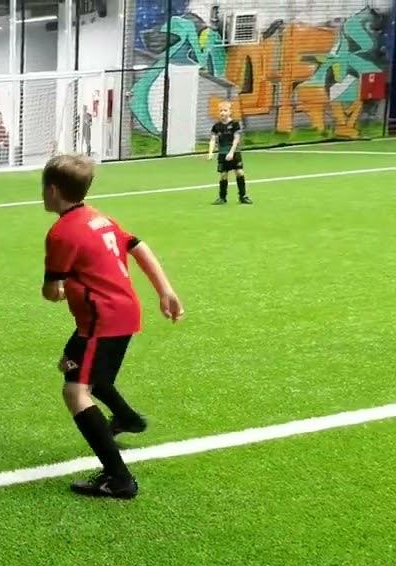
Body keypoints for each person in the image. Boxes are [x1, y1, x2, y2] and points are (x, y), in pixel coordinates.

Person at [40, 154, 185, 499]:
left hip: (100, 320)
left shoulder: (60, 233)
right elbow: (138, 246)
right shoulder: (100, 218)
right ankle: (126, 418)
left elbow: (51, 291)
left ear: (53, 190)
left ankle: (119, 479)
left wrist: (60, 291)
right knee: (77, 367)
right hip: (123, 312)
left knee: (75, 391)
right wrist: (165, 290)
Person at [207, 101, 252, 205]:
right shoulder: (216, 126)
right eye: (221, 111)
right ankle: (222, 198)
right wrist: (210, 152)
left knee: (239, 172)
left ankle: (243, 196)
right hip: (222, 154)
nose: (222, 113)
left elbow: (236, 139)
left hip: (234, 152)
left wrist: (231, 152)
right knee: (223, 175)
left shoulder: (235, 124)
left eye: (225, 110)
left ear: (230, 112)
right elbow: (213, 140)